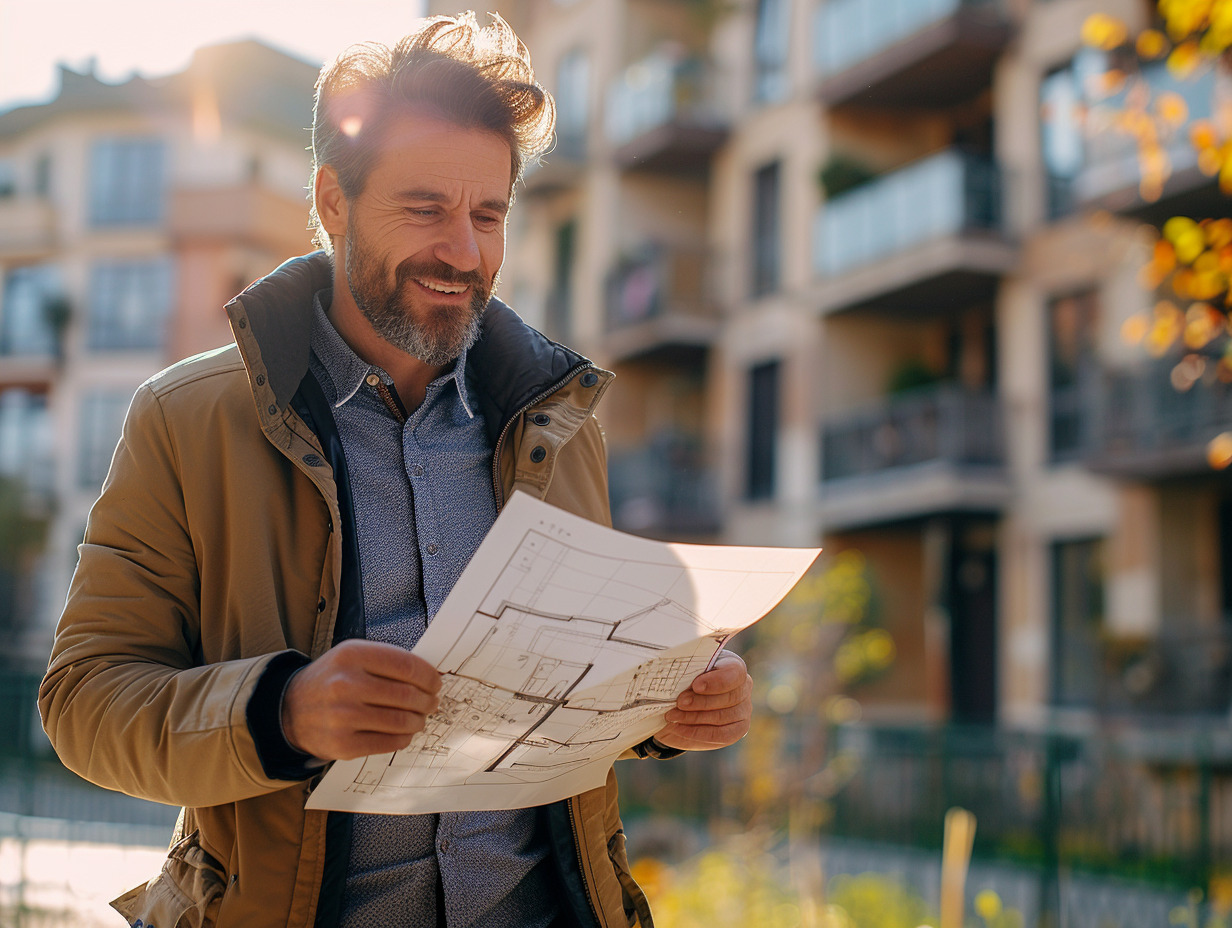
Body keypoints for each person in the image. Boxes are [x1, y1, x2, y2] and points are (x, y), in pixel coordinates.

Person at [38, 11, 753, 928]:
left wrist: (667, 706)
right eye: (425, 209)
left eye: (487, 215)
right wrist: (283, 710)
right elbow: (83, 701)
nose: (463, 251)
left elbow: (571, 684)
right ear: (333, 202)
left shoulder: (566, 427)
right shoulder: (184, 420)